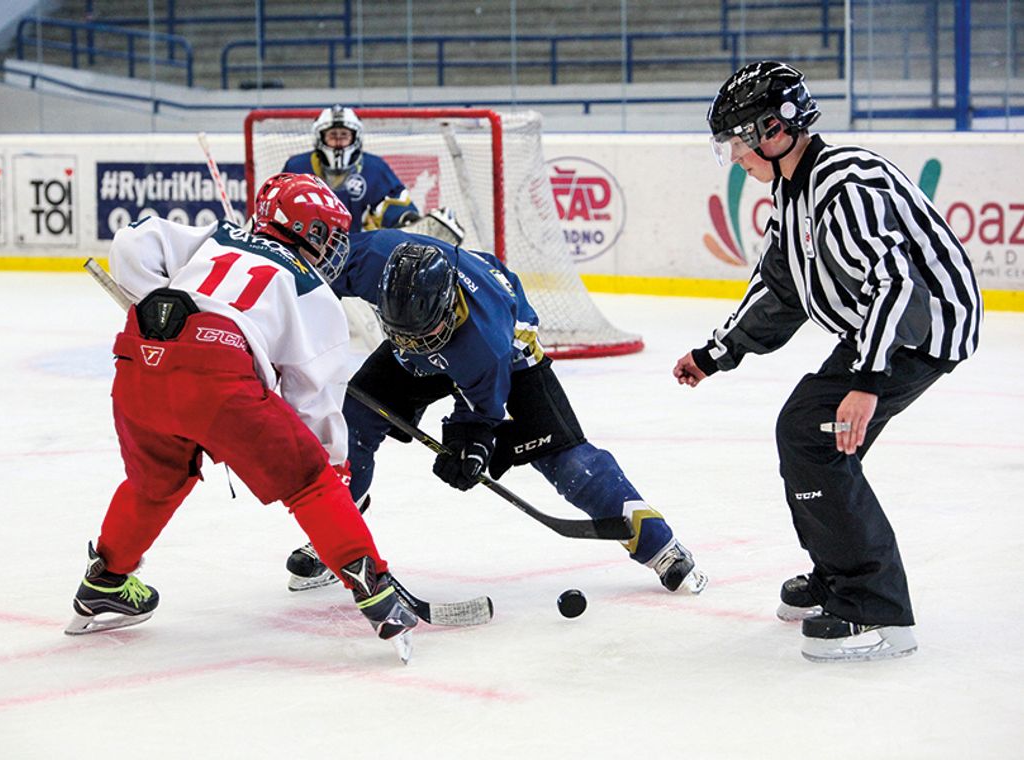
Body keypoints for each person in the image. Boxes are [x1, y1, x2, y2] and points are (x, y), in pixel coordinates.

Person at [673, 61, 982, 662]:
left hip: (919, 328)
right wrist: (717, 353)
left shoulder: (843, 184)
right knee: (819, 437)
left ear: (775, 129)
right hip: (884, 327)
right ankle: (841, 576)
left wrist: (866, 383)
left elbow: (895, 284)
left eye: (739, 141)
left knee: (813, 433)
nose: (735, 156)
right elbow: (781, 289)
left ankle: (877, 611)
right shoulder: (793, 191)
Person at [65, 172, 419, 663]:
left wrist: (160, 302)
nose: (334, 246)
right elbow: (313, 398)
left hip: (139, 356)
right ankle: (377, 592)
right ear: (309, 232)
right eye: (329, 234)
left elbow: (132, 240)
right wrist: (332, 466)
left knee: (155, 483)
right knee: (311, 482)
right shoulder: (312, 289)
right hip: (218, 378)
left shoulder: (217, 235)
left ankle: (103, 582)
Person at [285, 227, 708, 597]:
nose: (417, 345)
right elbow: (304, 276)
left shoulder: (485, 346)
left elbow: (480, 414)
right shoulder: (377, 258)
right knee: (353, 419)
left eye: (425, 334)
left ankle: (658, 544)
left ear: (449, 308)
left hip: (509, 352)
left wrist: (469, 448)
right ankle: (339, 534)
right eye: (402, 333)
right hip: (431, 329)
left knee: (562, 456)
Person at [282, 105, 420, 233]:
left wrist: (404, 219)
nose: (338, 142)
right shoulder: (297, 168)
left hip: (358, 250)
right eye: (332, 135)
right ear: (320, 138)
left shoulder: (375, 168)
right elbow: (281, 208)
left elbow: (397, 207)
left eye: (344, 135)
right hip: (307, 250)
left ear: (355, 138)